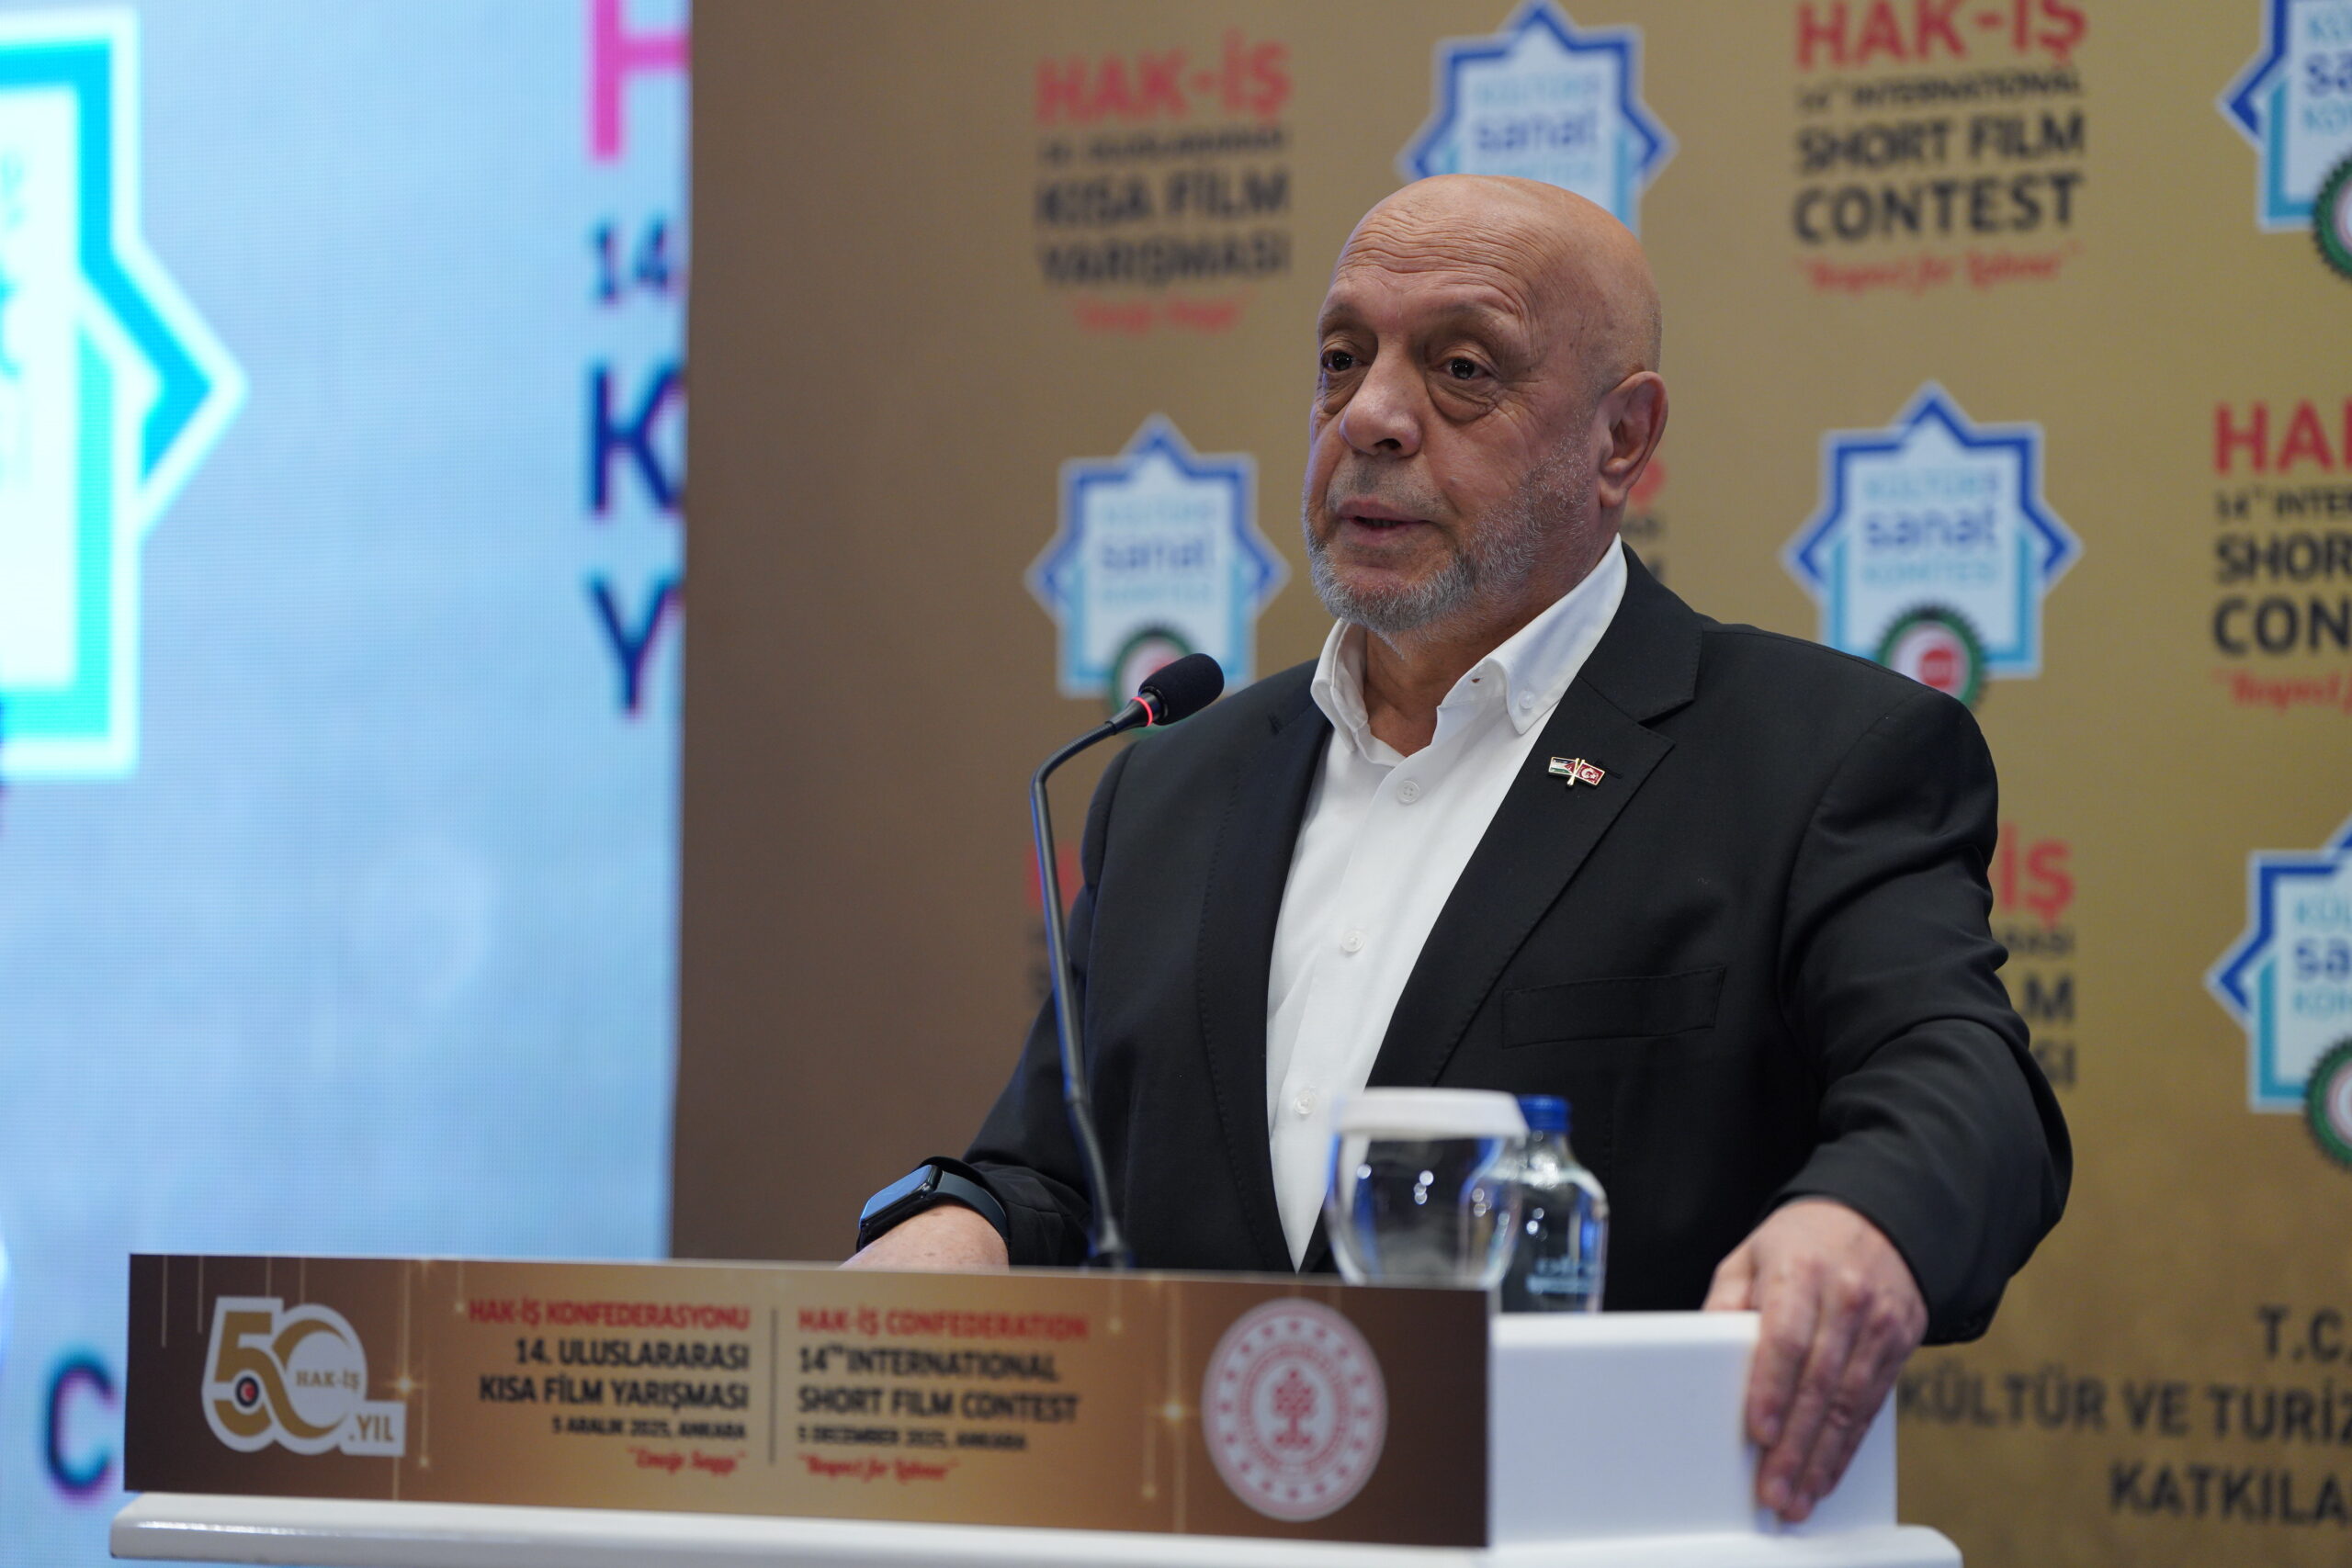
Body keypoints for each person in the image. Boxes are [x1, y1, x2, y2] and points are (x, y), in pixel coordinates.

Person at [846, 175, 2069, 1523]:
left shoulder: (1812, 757)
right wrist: (958, 1232)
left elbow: (1969, 1091)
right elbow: (1053, 1173)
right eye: (1340, 358)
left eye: (1462, 368)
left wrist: (1865, 1221)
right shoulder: (1173, 784)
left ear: (1621, 439)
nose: (1370, 415)